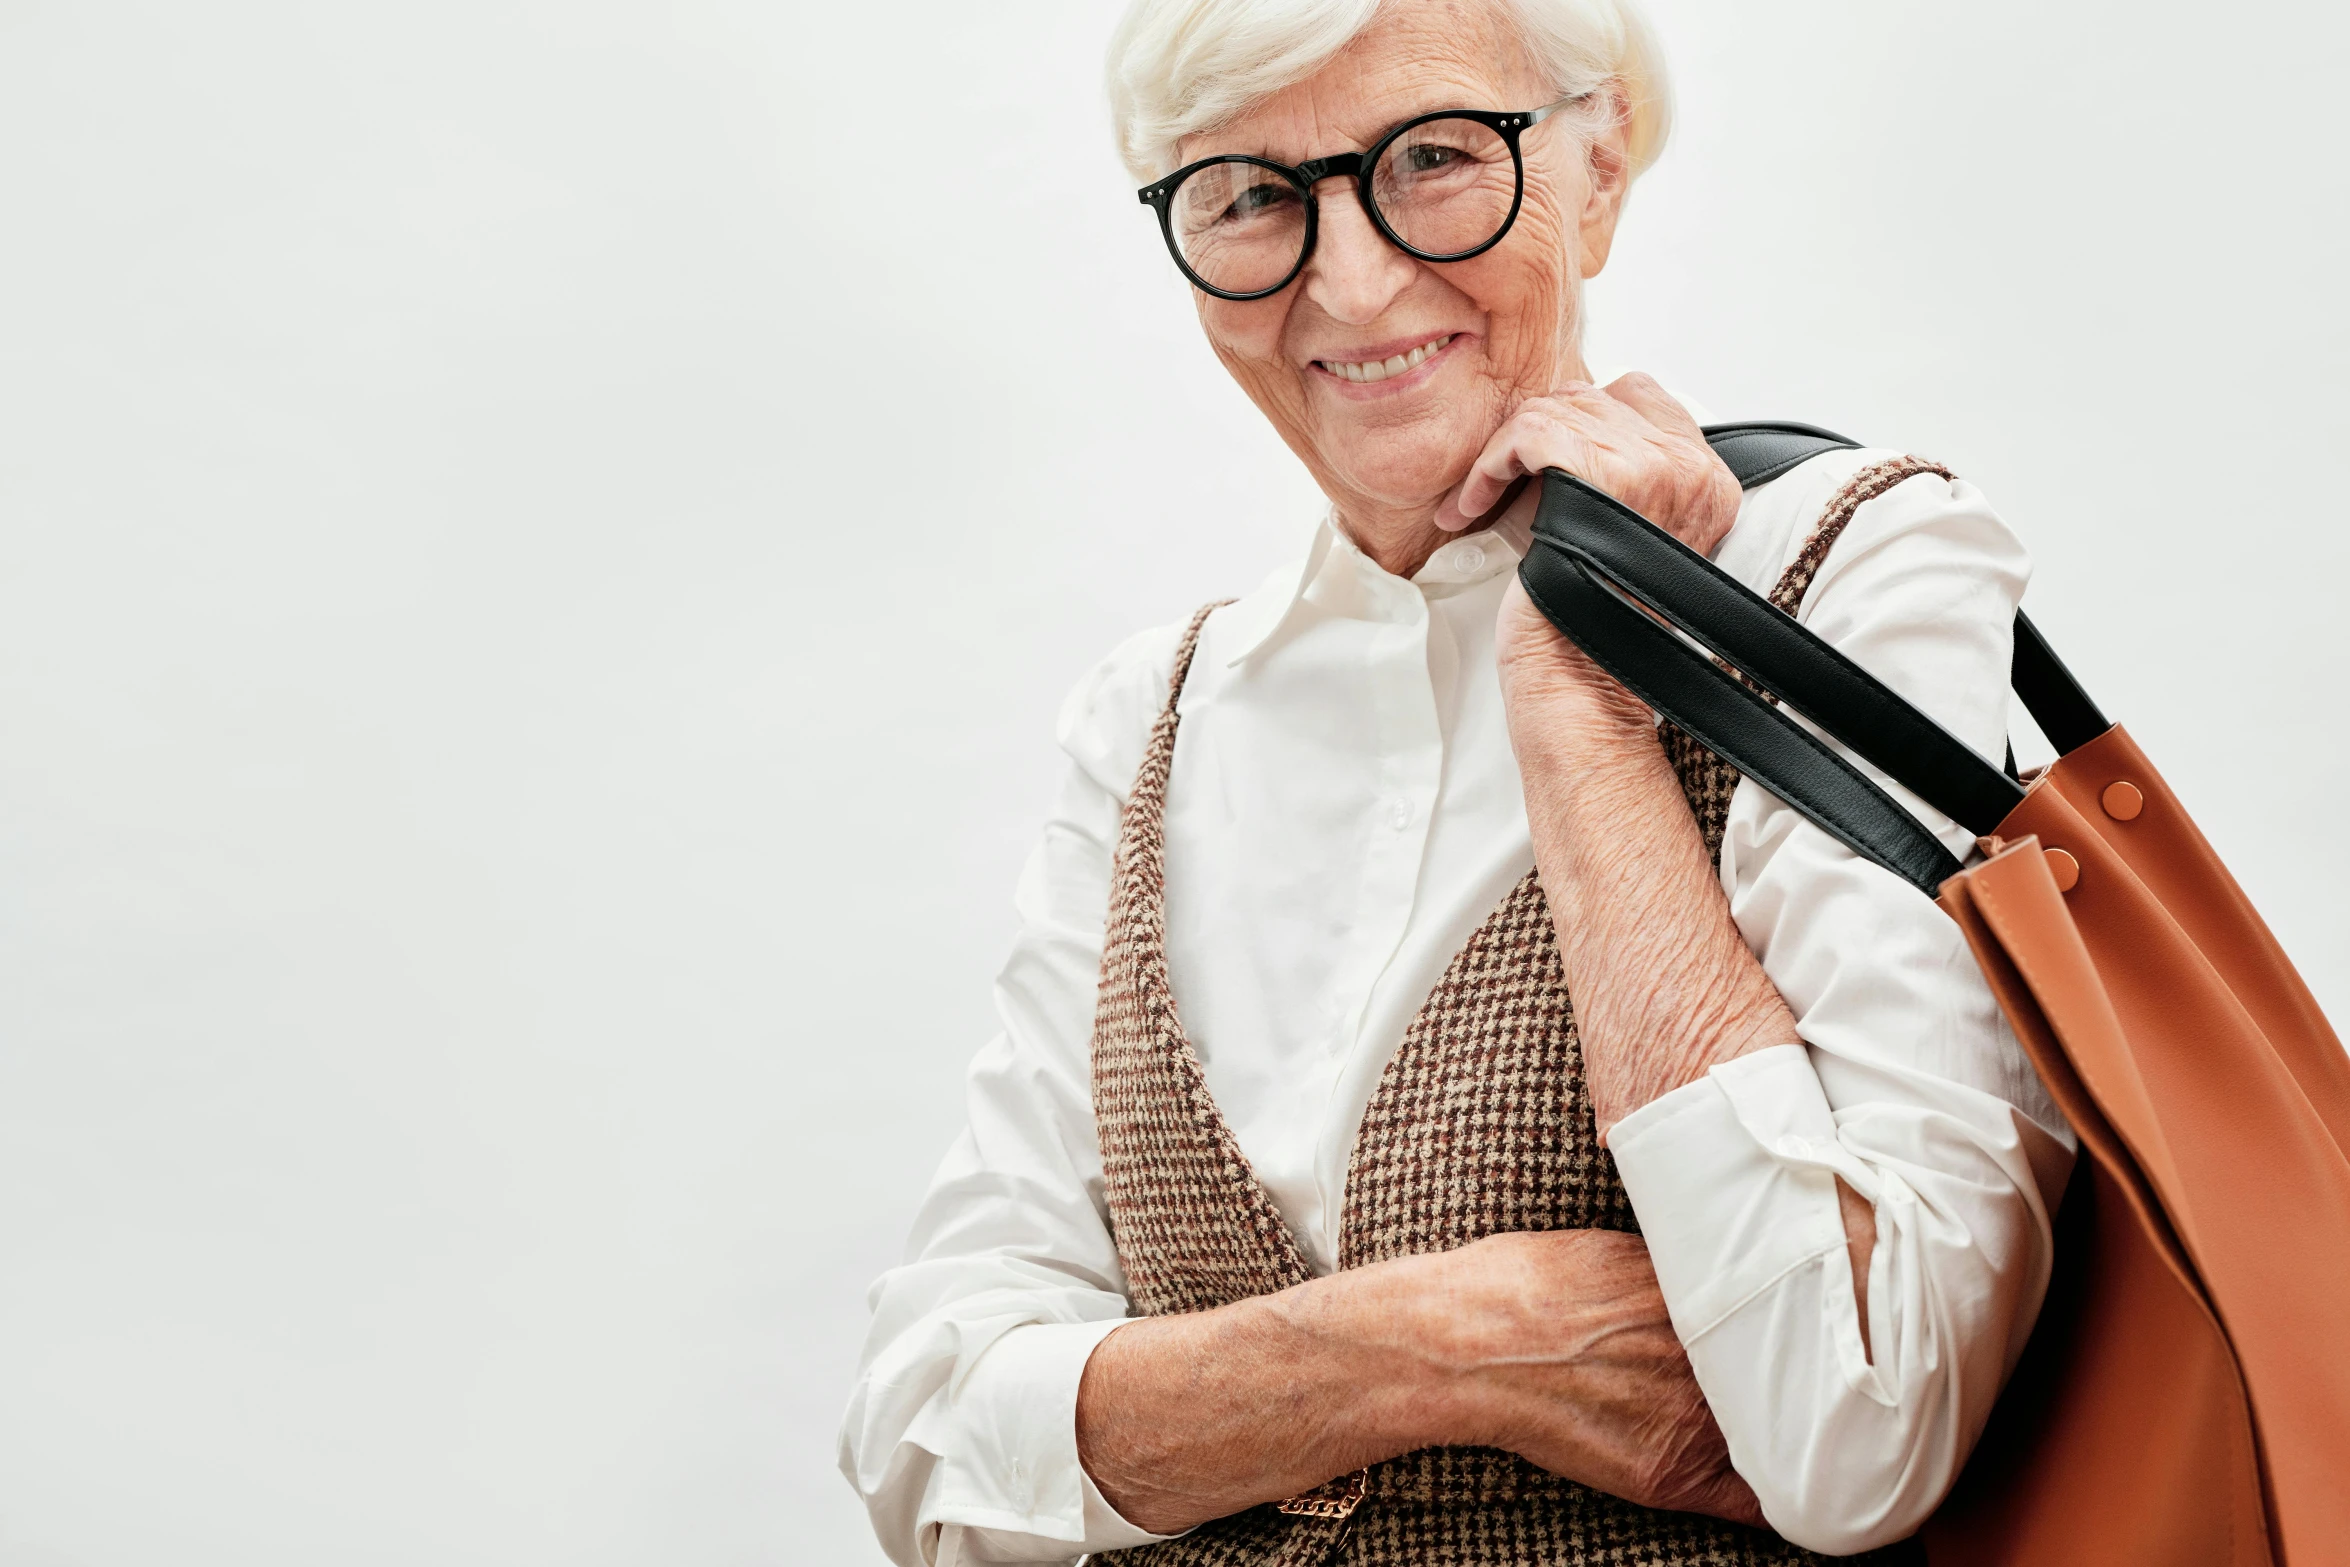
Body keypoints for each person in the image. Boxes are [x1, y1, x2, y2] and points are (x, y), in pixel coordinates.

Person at [840, 0, 2075, 1561]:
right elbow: (927, 1439)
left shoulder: (1840, 581)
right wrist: (1454, 1340)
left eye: (1432, 158)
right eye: (1247, 193)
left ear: (1600, 163)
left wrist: (1582, 717)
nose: (1346, 282)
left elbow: (1855, 1427)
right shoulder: (1147, 721)